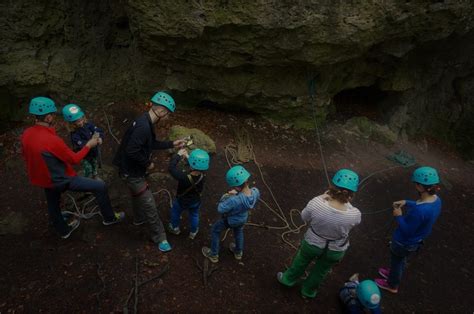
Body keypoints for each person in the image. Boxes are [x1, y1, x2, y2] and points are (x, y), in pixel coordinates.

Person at [21, 97, 125, 239]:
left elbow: (26, 155)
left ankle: (63, 230)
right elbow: (74, 159)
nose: (54, 117)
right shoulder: (52, 140)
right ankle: (109, 218)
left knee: (53, 203)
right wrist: (89, 145)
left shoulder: (27, 134)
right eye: (52, 114)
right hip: (60, 179)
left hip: (43, 178)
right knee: (100, 186)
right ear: (48, 116)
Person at [113, 91, 186, 252]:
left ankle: (138, 218)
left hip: (129, 169)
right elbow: (132, 150)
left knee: (136, 194)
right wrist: (148, 163)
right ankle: (160, 237)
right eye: (167, 114)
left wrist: (172, 143)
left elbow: (150, 143)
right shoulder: (143, 127)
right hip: (132, 172)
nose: (167, 117)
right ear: (160, 111)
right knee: (149, 203)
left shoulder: (145, 121)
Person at [277, 169, 361, 299]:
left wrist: (321, 198)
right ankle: (308, 292)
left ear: (332, 187)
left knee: (301, 261)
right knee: (321, 271)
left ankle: (287, 280)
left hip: (313, 243)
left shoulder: (317, 203)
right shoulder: (355, 213)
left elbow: (304, 217)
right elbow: (352, 222)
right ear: (351, 194)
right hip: (336, 249)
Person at [375, 166, 442, 294]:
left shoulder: (420, 211)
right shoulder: (437, 200)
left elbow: (406, 231)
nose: (415, 186)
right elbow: (420, 205)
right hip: (416, 241)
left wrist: (398, 215)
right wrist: (407, 202)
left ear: (421, 187)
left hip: (404, 242)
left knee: (397, 261)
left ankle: (392, 284)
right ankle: (394, 272)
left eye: (416, 184)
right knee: (400, 261)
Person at [202, 165, 260, 263]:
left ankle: (214, 254)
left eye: (233, 186)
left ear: (237, 186)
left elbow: (220, 208)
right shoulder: (255, 192)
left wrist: (227, 196)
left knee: (215, 230)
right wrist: (237, 194)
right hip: (243, 218)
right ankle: (238, 252)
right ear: (246, 181)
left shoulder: (234, 199)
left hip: (230, 220)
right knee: (239, 232)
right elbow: (247, 197)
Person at [167, 148, 210, 240]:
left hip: (181, 200)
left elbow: (171, 168)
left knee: (175, 212)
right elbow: (198, 165)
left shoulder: (183, 177)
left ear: (191, 165)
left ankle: (175, 228)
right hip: (195, 201)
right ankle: (193, 232)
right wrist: (188, 157)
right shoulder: (203, 176)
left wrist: (178, 155)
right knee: (194, 215)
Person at [62, 104, 104, 178]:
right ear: (71, 123)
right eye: (78, 122)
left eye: (81, 119)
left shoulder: (88, 124)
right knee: (88, 168)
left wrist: (100, 137)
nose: (81, 122)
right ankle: (88, 180)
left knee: (95, 164)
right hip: (85, 156)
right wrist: (91, 143)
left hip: (94, 152)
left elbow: (98, 130)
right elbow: (80, 145)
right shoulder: (75, 134)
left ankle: (95, 175)